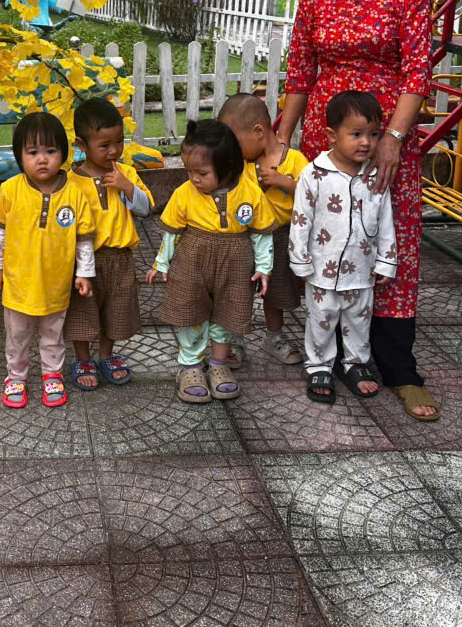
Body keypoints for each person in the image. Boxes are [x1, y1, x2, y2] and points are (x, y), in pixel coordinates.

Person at [277, 0, 440, 422]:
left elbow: (417, 73)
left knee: (390, 242)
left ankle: (398, 367)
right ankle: (329, 355)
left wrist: (393, 137)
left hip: (387, 141)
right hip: (326, 140)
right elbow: (300, 73)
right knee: (327, 241)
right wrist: (282, 138)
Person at [146, 120, 275, 404]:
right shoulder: (184, 193)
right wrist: (161, 263)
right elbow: (171, 234)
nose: (193, 178)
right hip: (192, 263)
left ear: (228, 166)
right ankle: (191, 367)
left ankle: (218, 364)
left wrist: (264, 268)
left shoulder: (250, 192)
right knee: (190, 313)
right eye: (189, 171)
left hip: (236, 265)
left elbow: (261, 234)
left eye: (202, 173)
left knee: (228, 313)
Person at [289, 91, 398, 404]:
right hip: (321, 271)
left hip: (362, 270)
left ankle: (355, 363)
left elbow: (386, 219)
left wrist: (386, 261)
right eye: (356, 134)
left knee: (359, 321)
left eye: (373, 135)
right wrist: (300, 260)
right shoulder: (314, 174)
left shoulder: (375, 176)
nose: (366, 143)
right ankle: (319, 366)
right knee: (321, 320)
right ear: (331, 135)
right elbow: (301, 220)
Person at [0, 112, 96, 409]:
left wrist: (84, 273)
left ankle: (52, 375)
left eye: (50, 151)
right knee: (17, 336)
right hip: (18, 284)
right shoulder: (10, 190)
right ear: (19, 156)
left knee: (53, 334)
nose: (42, 159)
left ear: (63, 153)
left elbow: (84, 239)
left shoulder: (75, 193)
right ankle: (16, 377)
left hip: (56, 283)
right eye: (33, 152)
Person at [66, 98, 154, 390]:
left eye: (119, 141)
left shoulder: (127, 174)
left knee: (116, 310)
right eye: (104, 145)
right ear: (82, 144)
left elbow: (146, 209)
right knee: (81, 312)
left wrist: (127, 187)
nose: (114, 150)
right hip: (83, 261)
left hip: (119, 258)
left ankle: (106, 355)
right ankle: (82, 358)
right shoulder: (70, 181)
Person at [219, 92, 308, 366]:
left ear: (258, 131)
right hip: (246, 238)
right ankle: (235, 339)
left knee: (276, 292)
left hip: (281, 237)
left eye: (236, 143)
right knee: (238, 290)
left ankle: (274, 337)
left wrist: (286, 183)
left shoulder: (294, 160)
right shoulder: (242, 165)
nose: (232, 150)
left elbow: (313, 196)